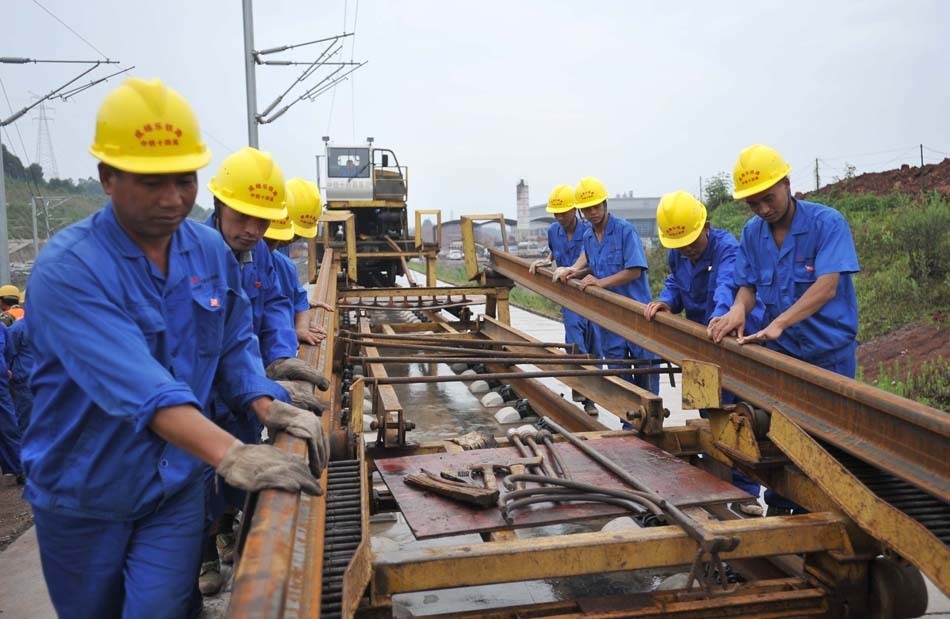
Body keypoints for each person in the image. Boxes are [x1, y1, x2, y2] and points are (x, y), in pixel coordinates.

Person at [22, 77, 328, 619]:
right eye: (150, 182)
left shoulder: (208, 251)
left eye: (183, 180)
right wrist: (232, 454)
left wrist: (266, 401)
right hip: (86, 493)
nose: (171, 199)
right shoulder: (70, 270)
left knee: (163, 609)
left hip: (175, 485)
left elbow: (233, 341)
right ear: (107, 178)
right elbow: (140, 386)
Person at [200, 147, 329, 594]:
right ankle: (204, 554)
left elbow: (247, 332)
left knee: (230, 480)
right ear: (218, 205)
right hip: (193, 404)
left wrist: (275, 373)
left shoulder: (255, 259)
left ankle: (226, 525)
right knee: (196, 485)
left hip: (238, 390)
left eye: (262, 221)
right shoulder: (195, 258)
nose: (255, 231)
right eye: (244, 217)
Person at [707, 144, 860, 515]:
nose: (763, 209)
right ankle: (779, 506)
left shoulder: (827, 224)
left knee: (828, 447)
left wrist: (778, 322)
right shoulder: (752, 233)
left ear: (787, 184)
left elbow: (827, 285)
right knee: (782, 440)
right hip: (784, 355)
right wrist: (738, 310)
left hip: (829, 356)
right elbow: (747, 285)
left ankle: (826, 515)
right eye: (753, 204)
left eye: (768, 199)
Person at [644, 190, 766, 515]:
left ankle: (746, 492)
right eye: (680, 245)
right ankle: (715, 479)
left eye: (692, 242)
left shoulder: (727, 249)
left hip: (730, 342)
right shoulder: (679, 253)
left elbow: (729, 283)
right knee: (706, 414)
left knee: (736, 416)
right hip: (698, 343)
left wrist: (722, 314)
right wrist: (666, 301)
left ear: (706, 226)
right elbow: (676, 283)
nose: (687, 249)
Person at [558, 177, 659, 395]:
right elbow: (597, 266)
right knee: (618, 373)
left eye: (595, 207)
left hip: (637, 314)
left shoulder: (625, 230)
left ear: (605, 204)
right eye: (586, 209)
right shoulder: (588, 236)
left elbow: (635, 269)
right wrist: (577, 272)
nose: (592, 212)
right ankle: (627, 422)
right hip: (610, 319)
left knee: (646, 370)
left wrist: (600, 283)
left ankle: (652, 424)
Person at [530, 183, 600, 415]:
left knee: (595, 343)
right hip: (568, 296)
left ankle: (596, 393)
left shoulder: (588, 232)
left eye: (564, 212)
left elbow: (591, 261)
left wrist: (572, 271)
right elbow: (554, 251)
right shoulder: (553, 231)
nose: (560, 217)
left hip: (590, 294)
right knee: (574, 338)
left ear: (574, 211)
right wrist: (546, 261)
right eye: (556, 213)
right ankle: (580, 388)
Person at [263, 177, 333, 346]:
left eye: (297, 236)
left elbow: (294, 297)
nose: (291, 240)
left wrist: (298, 321)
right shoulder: (250, 255)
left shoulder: (283, 262)